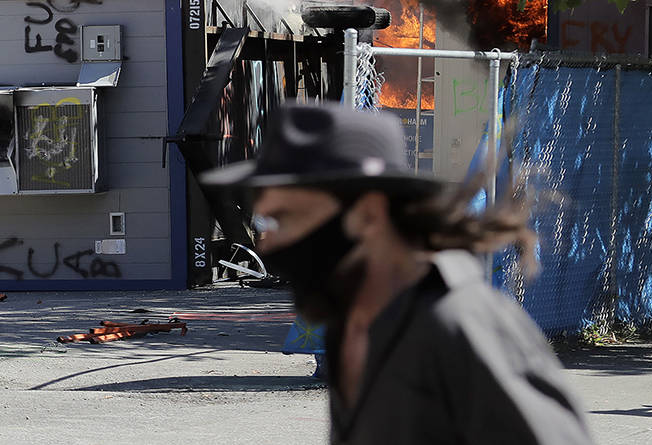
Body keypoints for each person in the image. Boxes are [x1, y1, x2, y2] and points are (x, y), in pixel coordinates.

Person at [201, 102, 592, 445]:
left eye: (286, 218)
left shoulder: (461, 324)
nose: (267, 244)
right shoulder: (351, 321)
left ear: (369, 215)